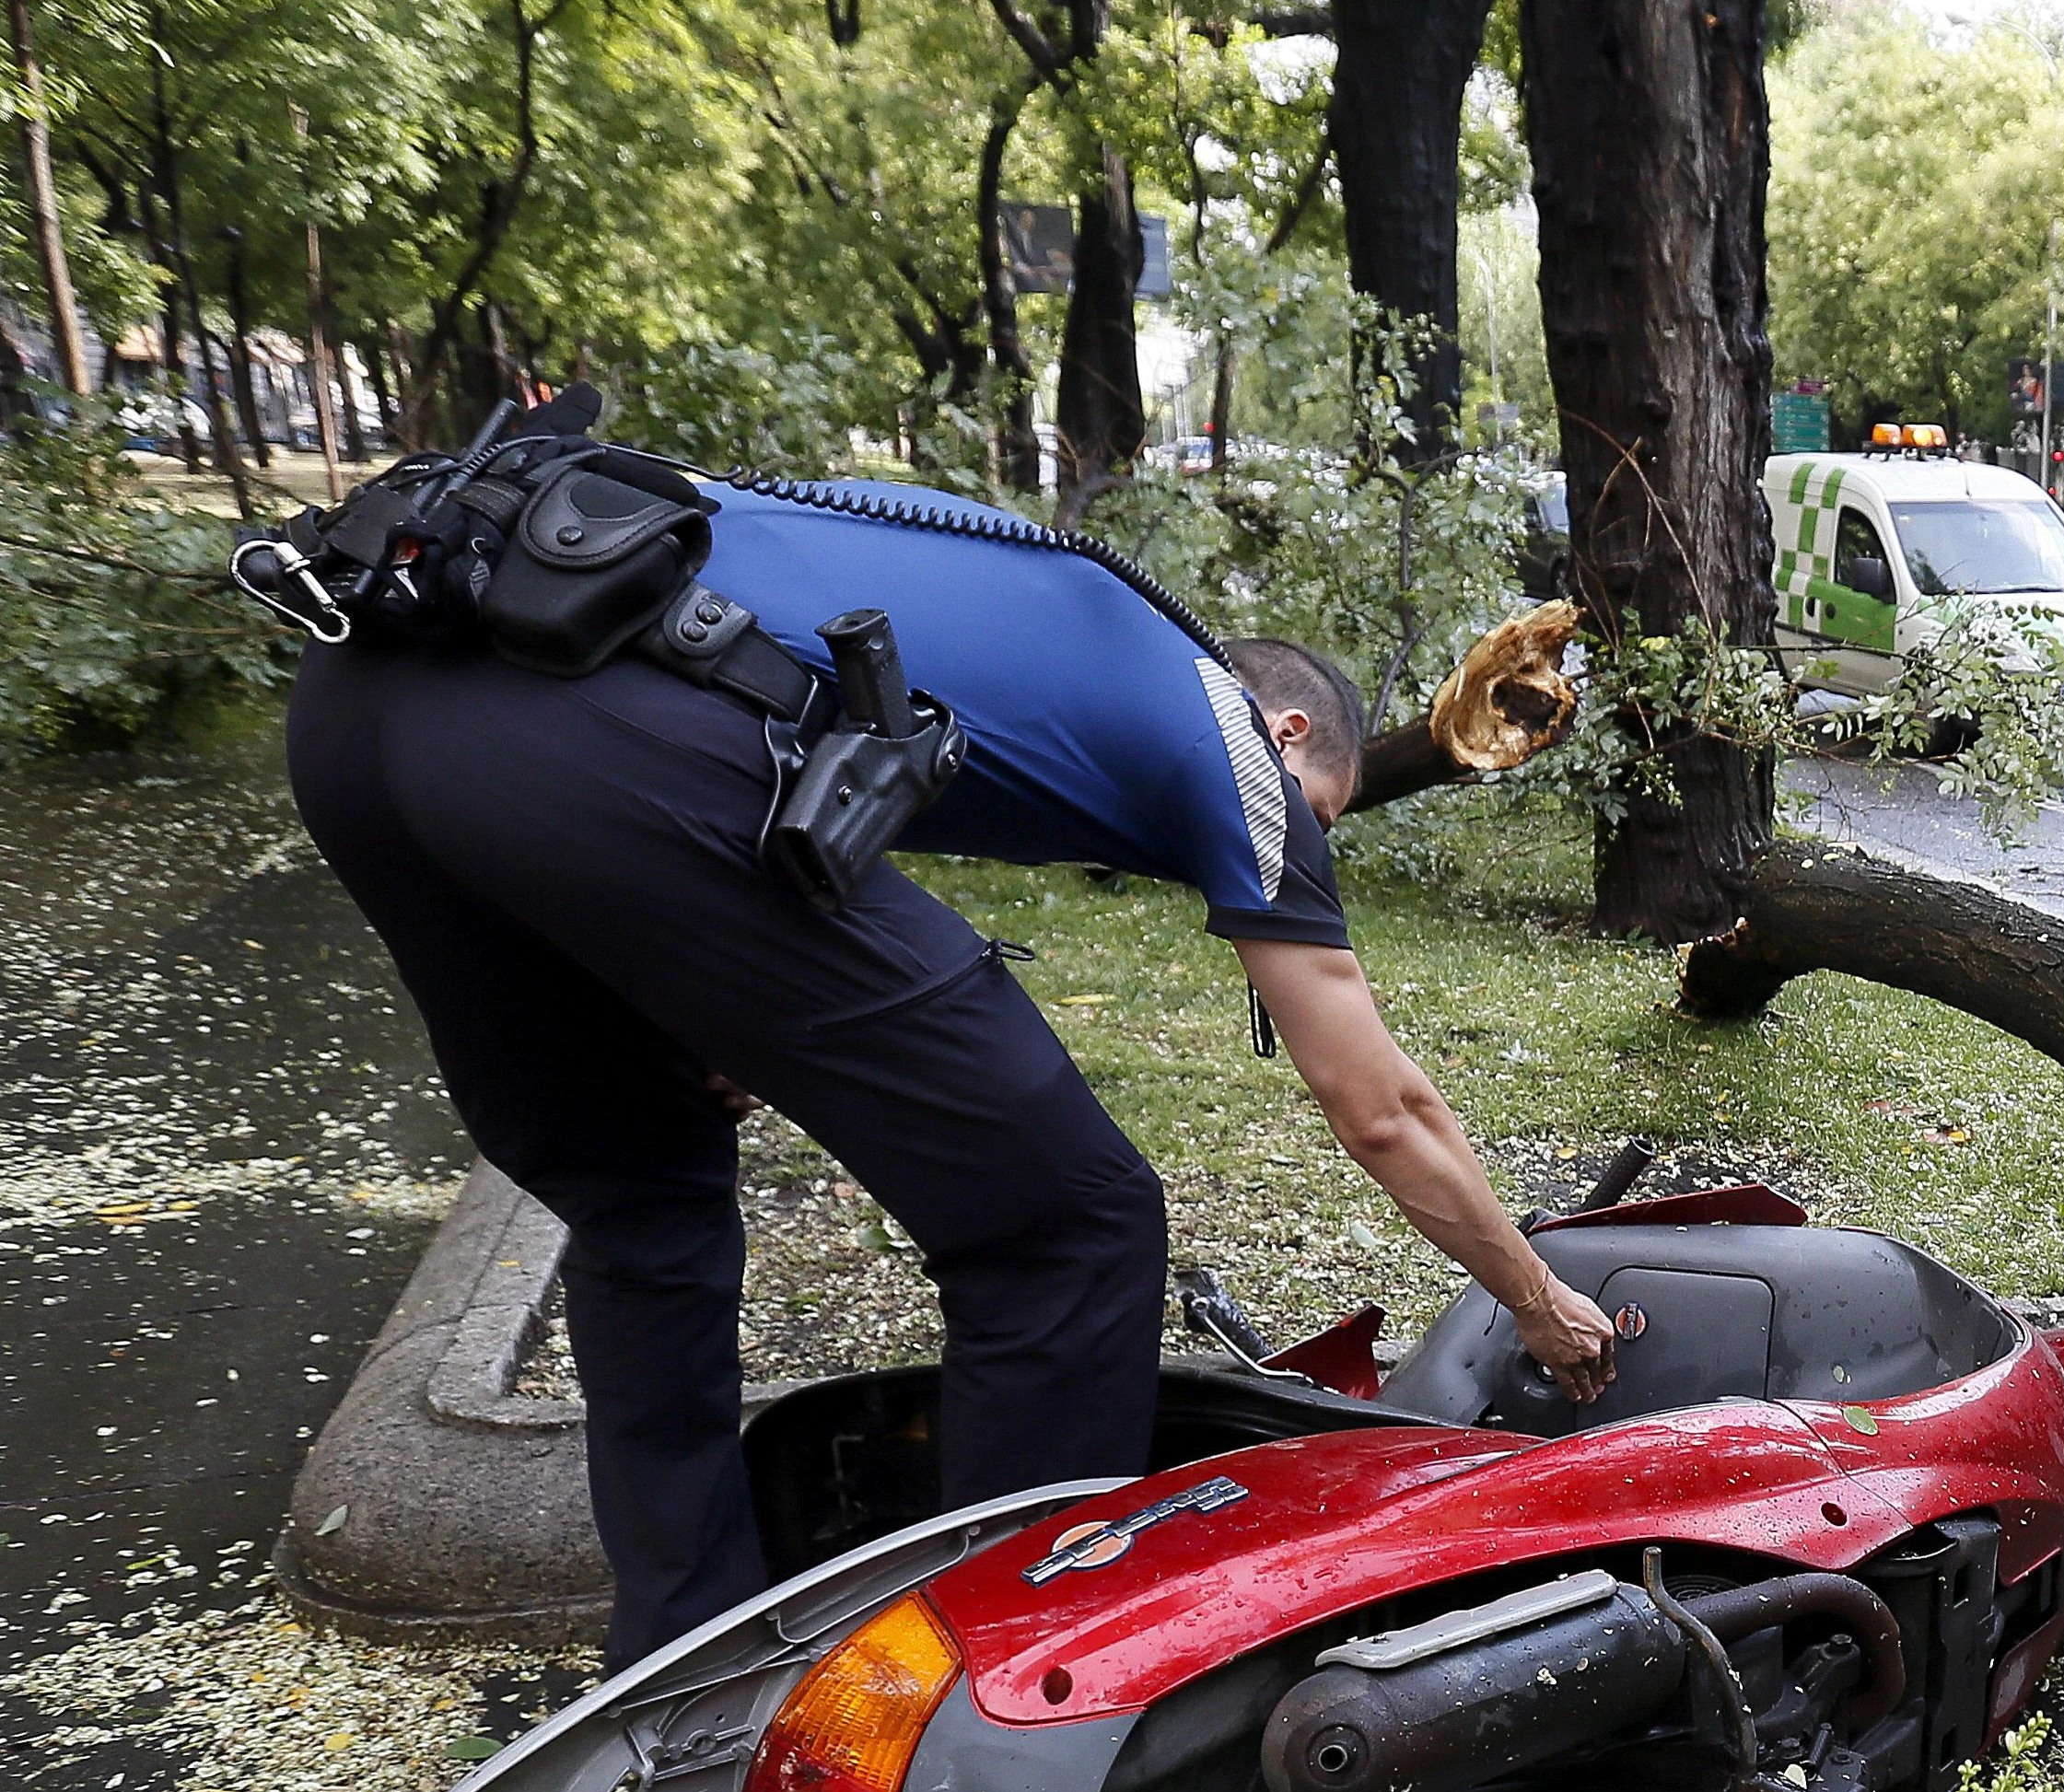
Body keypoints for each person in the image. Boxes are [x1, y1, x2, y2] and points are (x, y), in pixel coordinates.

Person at [286, 470, 1621, 1668]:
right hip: (600, 726)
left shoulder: (1025, 631)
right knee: (1074, 1227)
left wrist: (718, 1006)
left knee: (641, 1189)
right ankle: (990, 1691)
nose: (1291, 859)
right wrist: (1539, 1300)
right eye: (1315, 824)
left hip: (368, 702)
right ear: (1284, 733)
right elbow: (1380, 1107)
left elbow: (766, 777)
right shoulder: (1228, 740)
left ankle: (679, 1667)